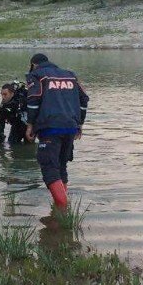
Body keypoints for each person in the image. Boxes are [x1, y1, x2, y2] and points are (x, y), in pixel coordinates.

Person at [24, 53, 89, 211]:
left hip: (50, 127)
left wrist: (30, 125)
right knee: (61, 166)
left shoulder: (36, 75)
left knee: (49, 167)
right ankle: (61, 209)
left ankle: (62, 206)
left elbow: (33, 101)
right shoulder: (70, 75)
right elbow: (84, 99)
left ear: (33, 64)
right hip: (70, 127)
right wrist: (79, 123)